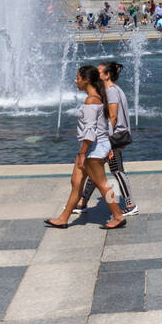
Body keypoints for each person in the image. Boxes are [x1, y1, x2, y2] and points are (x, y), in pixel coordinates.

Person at [47, 66, 127, 229]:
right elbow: (105, 125)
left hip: (93, 148)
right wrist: (107, 146)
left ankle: (118, 217)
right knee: (76, 182)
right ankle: (63, 218)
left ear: (86, 80)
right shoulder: (99, 97)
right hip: (94, 146)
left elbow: (89, 132)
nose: (76, 81)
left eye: (78, 78)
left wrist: (82, 153)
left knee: (103, 184)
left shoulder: (92, 100)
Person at [73, 61, 138, 217]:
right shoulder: (112, 89)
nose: (97, 74)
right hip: (112, 136)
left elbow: (113, 116)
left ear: (107, 75)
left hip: (113, 136)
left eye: (100, 72)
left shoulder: (111, 91)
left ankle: (130, 204)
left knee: (116, 171)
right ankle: (82, 202)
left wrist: (107, 140)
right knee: (95, 170)